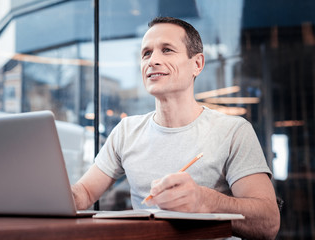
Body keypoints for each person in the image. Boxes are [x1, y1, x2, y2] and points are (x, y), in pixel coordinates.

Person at [72, 16, 280, 239]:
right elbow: (83, 193)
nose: (152, 61)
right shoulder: (126, 131)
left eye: (167, 50)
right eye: (146, 53)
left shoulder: (233, 131)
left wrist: (205, 200)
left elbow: (268, 223)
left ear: (197, 64)